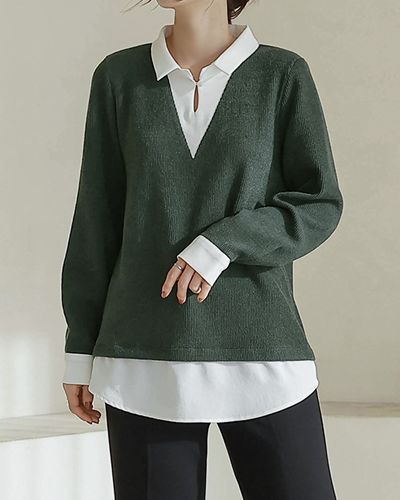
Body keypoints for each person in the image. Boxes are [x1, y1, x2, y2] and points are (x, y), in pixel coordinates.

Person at [62, 0, 343, 498]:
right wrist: (80, 350)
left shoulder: (281, 74)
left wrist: (222, 244)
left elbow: (319, 203)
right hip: (143, 357)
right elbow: (95, 220)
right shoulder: (119, 77)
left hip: (261, 347)